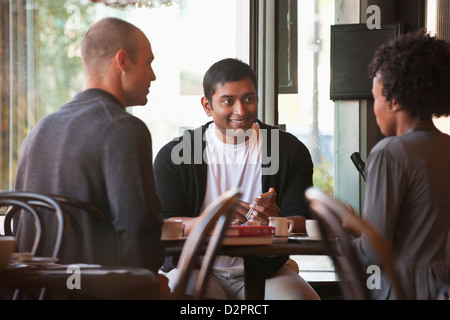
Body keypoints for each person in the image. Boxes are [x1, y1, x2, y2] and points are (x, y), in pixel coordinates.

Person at [14, 18, 168, 295]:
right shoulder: (122, 128)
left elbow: (20, 224)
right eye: (148, 62)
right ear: (123, 61)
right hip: (93, 291)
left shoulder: (39, 130)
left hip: (32, 291)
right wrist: (147, 285)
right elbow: (139, 231)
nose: (153, 75)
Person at [155, 58, 320, 300]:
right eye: (228, 101)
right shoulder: (175, 155)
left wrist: (276, 220)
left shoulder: (289, 150)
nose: (241, 110)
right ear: (207, 106)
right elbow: (163, 224)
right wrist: (212, 219)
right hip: (197, 269)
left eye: (248, 98)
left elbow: (302, 221)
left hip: (268, 272)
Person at [347, 31, 450, 299]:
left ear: (393, 100)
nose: (374, 108)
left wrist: (337, 239)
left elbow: (373, 250)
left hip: (401, 289)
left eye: (375, 98)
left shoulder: (388, 153)